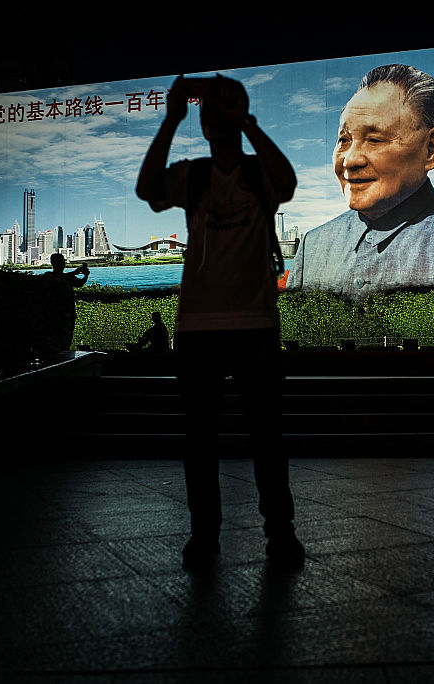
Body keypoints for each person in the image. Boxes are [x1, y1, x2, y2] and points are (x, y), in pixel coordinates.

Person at [135, 74, 304, 571]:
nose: (211, 118)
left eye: (217, 110)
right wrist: (171, 117)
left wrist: (247, 124)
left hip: (252, 323)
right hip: (200, 328)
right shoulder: (194, 175)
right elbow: (149, 189)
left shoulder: (257, 173)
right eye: (208, 112)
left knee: (264, 437)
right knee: (204, 441)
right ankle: (206, 536)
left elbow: (288, 185)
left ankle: (279, 533)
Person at [284, 64, 434, 298]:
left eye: (375, 139)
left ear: (430, 149)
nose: (350, 160)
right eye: (344, 140)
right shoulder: (312, 245)